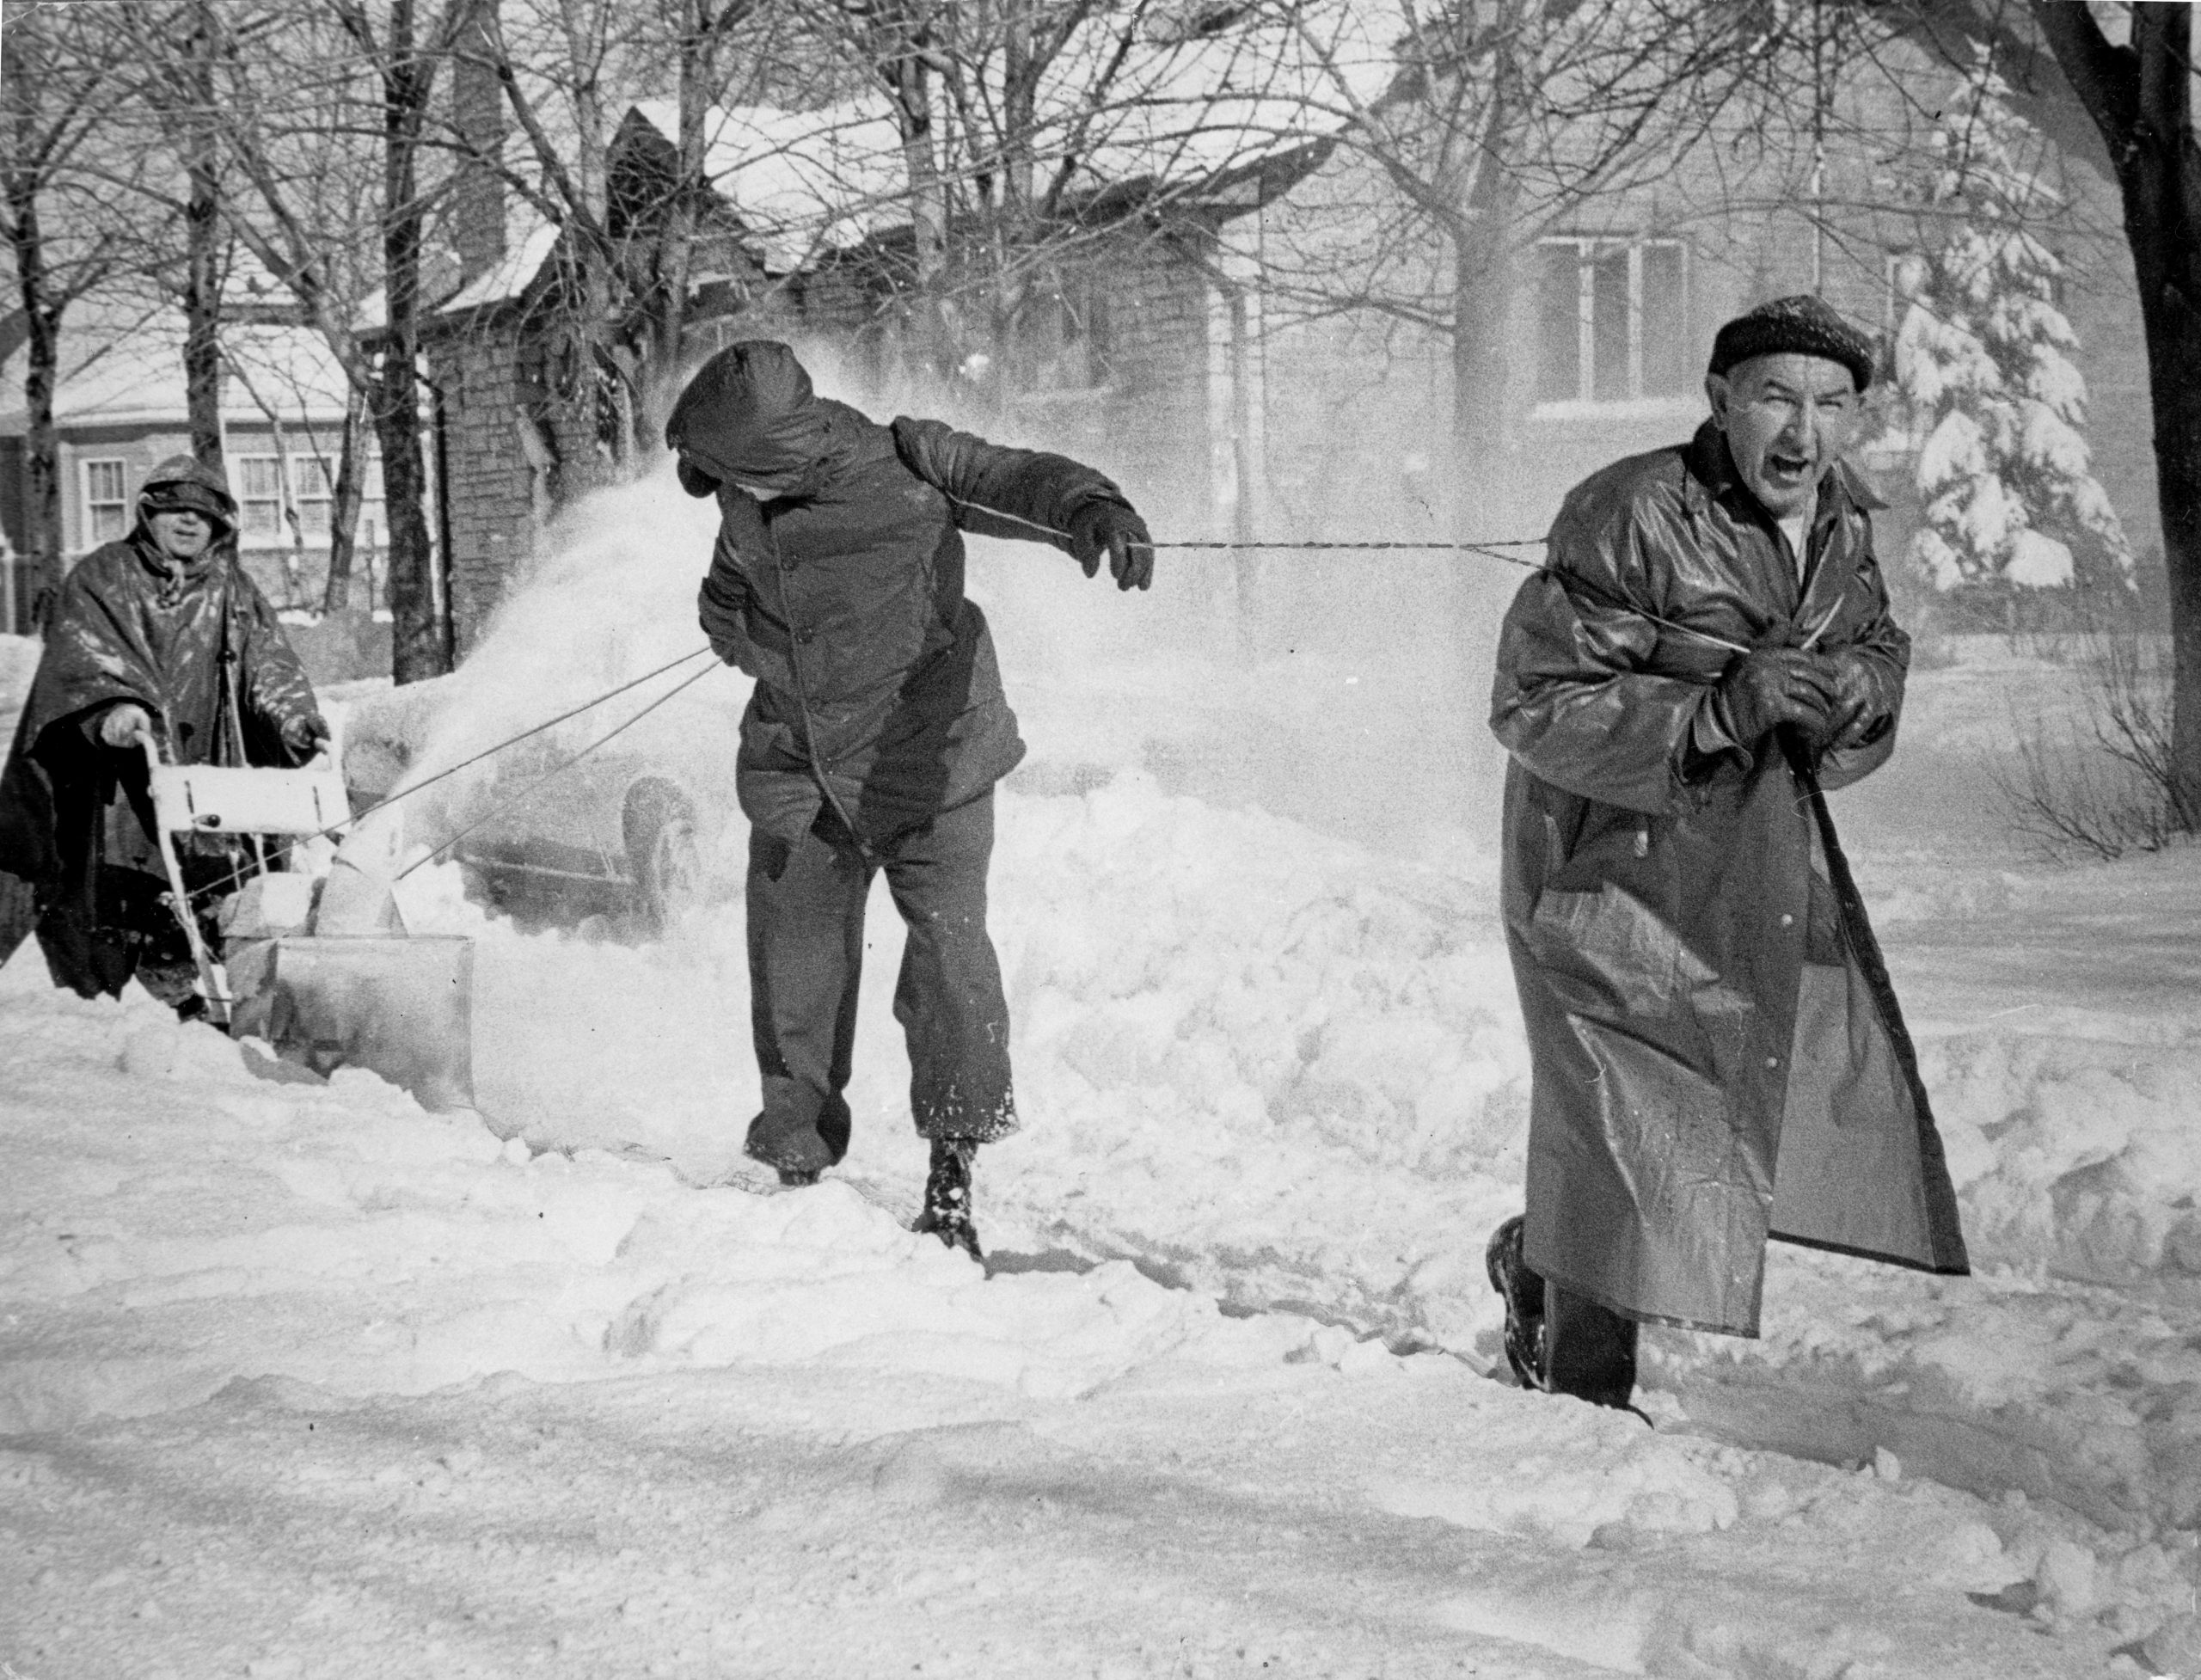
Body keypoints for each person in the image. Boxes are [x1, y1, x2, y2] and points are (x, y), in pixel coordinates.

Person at [1483, 295, 1971, 1412]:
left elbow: (1876, 646)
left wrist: (1863, 693)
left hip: (1739, 857)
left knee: (1696, 1104)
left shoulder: (1842, 525)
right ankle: (1584, 1404)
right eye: (1775, 398)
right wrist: (1712, 711)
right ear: (1719, 402)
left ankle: (1537, 1260)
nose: (1802, 433)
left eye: (1832, 403)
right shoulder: (1630, 511)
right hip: (1601, 849)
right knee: (1614, 1102)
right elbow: (1533, 699)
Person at [665, 340, 1153, 1260]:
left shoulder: (909, 459)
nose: (725, 490)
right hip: (801, 760)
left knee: (949, 965)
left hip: (929, 754)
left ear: (778, 457)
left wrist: (1093, 508)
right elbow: (724, 596)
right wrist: (755, 644)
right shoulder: (742, 498)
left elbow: (1019, 480)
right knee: (793, 960)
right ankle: (796, 1164)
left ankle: (952, 1181)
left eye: (732, 473)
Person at [0, 455, 328, 1017]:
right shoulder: (103, 576)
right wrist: (109, 712)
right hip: (117, 776)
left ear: (220, 527)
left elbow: (268, 665)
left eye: (203, 515)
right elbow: (80, 660)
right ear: (148, 513)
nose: (188, 522)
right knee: (119, 894)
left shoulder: (233, 589)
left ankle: (198, 1003)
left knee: (215, 887)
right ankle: (115, 1019)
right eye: (174, 509)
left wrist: (293, 718)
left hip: (205, 769)